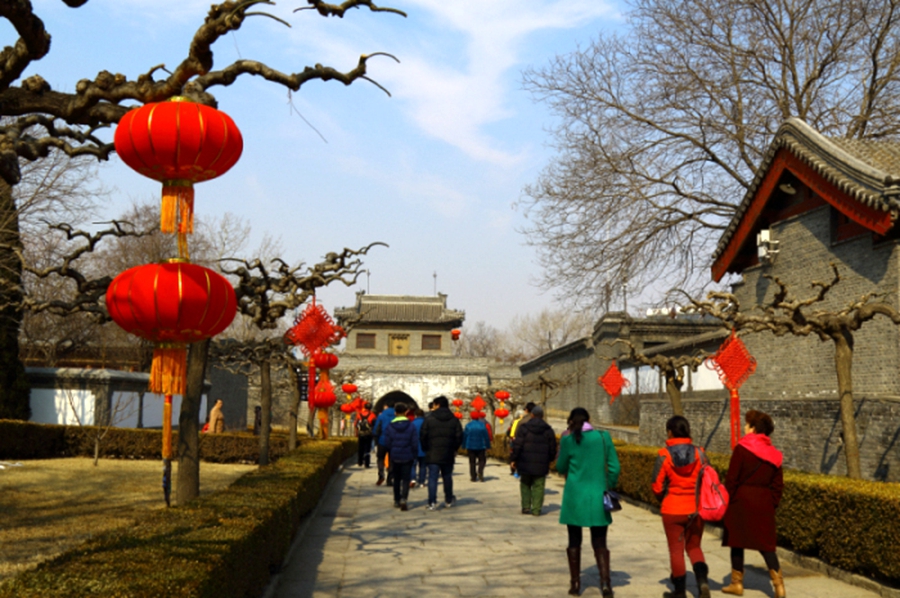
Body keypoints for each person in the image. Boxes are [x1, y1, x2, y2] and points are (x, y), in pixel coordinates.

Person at [721, 410, 785, 598]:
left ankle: (736, 584)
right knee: (766, 546)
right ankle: (779, 586)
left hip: (741, 500)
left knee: (737, 542)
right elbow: (777, 486)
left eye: (747, 425)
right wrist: (771, 503)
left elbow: (731, 479)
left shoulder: (742, 449)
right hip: (764, 502)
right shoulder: (774, 455)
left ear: (754, 428)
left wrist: (728, 500)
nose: (744, 428)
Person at [557, 407, 620, 597]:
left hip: (574, 496)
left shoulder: (567, 440)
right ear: (589, 419)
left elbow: (560, 466)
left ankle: (575, 584)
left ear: (570, 421)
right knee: (600, 541)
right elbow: (614, 467)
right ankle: (606, 583)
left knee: (574, 540)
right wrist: (608, 484)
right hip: (597, 495)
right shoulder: (603, 437)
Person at [651, 416, 711, 598]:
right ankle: (702, 584)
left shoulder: (664, 455)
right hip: (695, 509)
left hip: (672, 509)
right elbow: (709, 479)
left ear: (670, 432)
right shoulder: (700, 453)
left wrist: (663, 498)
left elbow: (656, 485)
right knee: (694, 548)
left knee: (676, 551)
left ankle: (679, 592)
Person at [511, 405, 557, 516]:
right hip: (541, 463)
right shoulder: (548, 430)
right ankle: (536, 509)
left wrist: (514, 459)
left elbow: (518, 445)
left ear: (531, 415)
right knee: (539, 486)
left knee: (525, 484)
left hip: (525, 461)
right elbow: (553, 447)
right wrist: (550, 459)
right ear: (543, 416)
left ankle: (526, 506)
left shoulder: (524, 428)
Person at [419, 395, 463, 511]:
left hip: (432, 452)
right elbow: (459, 436)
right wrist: (454, 449)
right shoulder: (454, 419)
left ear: (437, 405)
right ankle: (448, 500)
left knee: (432, 478)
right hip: (448, 453)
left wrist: (426, 448)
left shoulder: (429, 419)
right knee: (447, 477)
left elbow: (423, 436)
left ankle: (432, 502)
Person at [383, 402, 419, 511]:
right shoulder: (411, 426)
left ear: (395, 412)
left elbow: (387, 442)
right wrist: (414, 454)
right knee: (406, 479)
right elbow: (414, 442)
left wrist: (391, 451)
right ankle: (404, 498)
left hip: (394, 456)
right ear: (405, 412)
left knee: (397, 479)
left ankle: (396, 500)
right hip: (407, 456)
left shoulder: (390, 426)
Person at [462, 410, 493, 482]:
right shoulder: (482, 425)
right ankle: (480, 471)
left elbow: (465, 436)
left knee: (472, 462)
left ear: (471, 417)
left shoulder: (468, 425)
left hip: (470, 445)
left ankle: (473, 477)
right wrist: (488, 446)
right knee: (482, 460)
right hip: (481, 445)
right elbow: (486, 436)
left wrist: (463, 445)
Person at [372, 403, 396, 486]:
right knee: (392, 460)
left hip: (382, 440)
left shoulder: (381, 416)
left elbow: (376, 429)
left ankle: (381, 475)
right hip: (393, 441)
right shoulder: (396, 415)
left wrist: (376, 438)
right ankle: (390, 478)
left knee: (380, 458)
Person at [355, 402, 376, 468]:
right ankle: (367, 463)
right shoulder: (372, 415)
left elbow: (355, 424)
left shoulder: (359, 414)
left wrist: (356, 432)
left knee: (360, 448)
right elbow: (375, 424)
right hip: (368, 434)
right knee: (367, 448)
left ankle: (360, 462)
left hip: (361, 433)